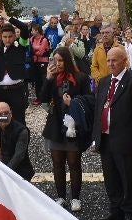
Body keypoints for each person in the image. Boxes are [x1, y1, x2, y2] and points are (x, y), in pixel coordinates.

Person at [91, 46, 132, 220]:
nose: (110, 64)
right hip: (106, 139)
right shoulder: (104, 82)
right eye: (108, 61)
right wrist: (95, 138)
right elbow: (99, 110)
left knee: (128, 177)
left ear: (124, 61)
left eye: (114, 60)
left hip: (125, 139)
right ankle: (115, 210)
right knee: (111, 177)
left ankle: (130, 213)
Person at [40, 47, 94, 211]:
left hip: (73, 124)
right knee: (57, 162)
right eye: (55, 60)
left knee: (74, 162)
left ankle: (76, 198)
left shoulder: (81, 77)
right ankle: (61, 196)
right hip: (55, 124)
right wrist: (48, 79)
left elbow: (91, 100)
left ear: (68, 60)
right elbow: (42, 98)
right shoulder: (53, 77)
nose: (58, 63)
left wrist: (74, 103)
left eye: (61, 60)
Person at [0, 101, 34, 180]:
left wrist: (4, 174)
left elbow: (18, 156)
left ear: (11, 113)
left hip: (18, 172)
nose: (4, 116)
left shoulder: (21, 130)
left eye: (6, 113)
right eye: (0, 114)